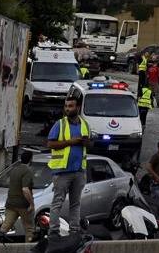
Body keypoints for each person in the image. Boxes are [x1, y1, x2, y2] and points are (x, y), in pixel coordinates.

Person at [46, 94, 92, 225]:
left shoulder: (85, 125)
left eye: (70, 106)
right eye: (66, 106)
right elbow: (50, 144)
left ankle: (74, 230)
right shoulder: (59, 124)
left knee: (75, 203)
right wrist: (70, 142)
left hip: (79, 171)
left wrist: (85, 142)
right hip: (62, 171)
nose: (67, 109)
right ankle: (53, 231)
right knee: (57, 203)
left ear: (77, 107)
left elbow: (89, 145)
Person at [1, 149, 36, 239]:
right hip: (23, 204)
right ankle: (28, 248)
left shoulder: (14, 169)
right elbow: (25, 189)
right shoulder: (27, 171)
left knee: (5, 227)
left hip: (11, 203)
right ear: (30, 159)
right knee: (29, 229)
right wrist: (31, 204)